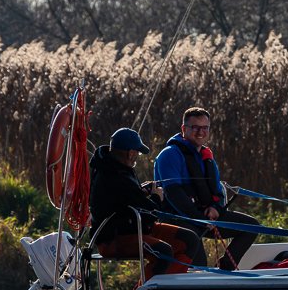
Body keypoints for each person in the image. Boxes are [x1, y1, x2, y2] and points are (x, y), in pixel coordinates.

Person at [154, 107, 261, 270]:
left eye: (205, 128)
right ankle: (199, 276)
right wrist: (199, 219)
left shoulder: (207, 157)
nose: (200, 132)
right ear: (184, 129)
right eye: (195, 127)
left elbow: (218, 191)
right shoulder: (169, 155)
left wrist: (215, 208)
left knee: (251, 227)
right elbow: (174, 194)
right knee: (199, 262)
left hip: (204, 218)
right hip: (178, 219)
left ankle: (225, 269)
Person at [89, 127, 202, 279]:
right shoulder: (114, 176)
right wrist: (156, 197)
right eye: (137, 153)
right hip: (114, 238)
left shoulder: (115, 167)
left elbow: (127, 200)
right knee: (163, 251)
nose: (137, 156)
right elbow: (149, 214)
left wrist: (141, 193)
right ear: (130, 153)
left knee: (189, 240)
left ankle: (168, 284)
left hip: (136, 228)